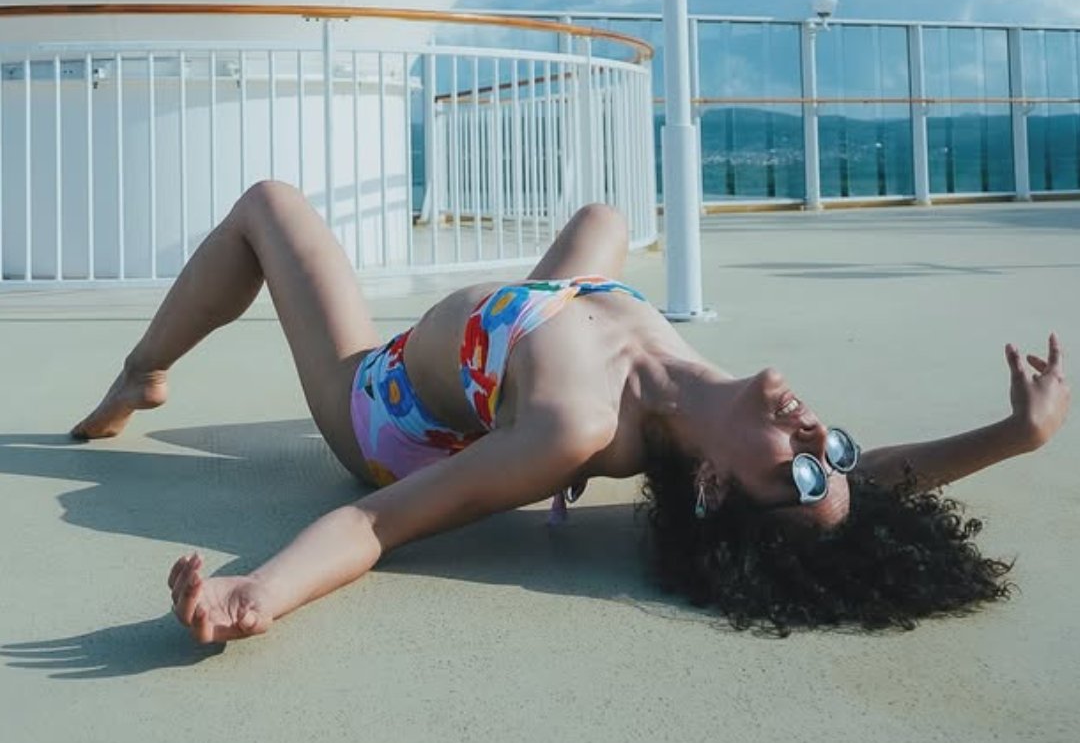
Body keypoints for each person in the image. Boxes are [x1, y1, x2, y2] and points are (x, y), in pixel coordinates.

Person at [71, 182, 1070, 641]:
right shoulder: (716, 402)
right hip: (540, 329)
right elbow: (869, 479)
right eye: (832, 453)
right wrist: (1014, 435)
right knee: (604, 219)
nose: (821, 439)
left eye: (800, 469)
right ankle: (531, 325)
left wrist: (261, 591)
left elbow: (375, 524)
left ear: (713, 482)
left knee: (269, 206)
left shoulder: (576, 425)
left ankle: (140, 371)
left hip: (385, 408)